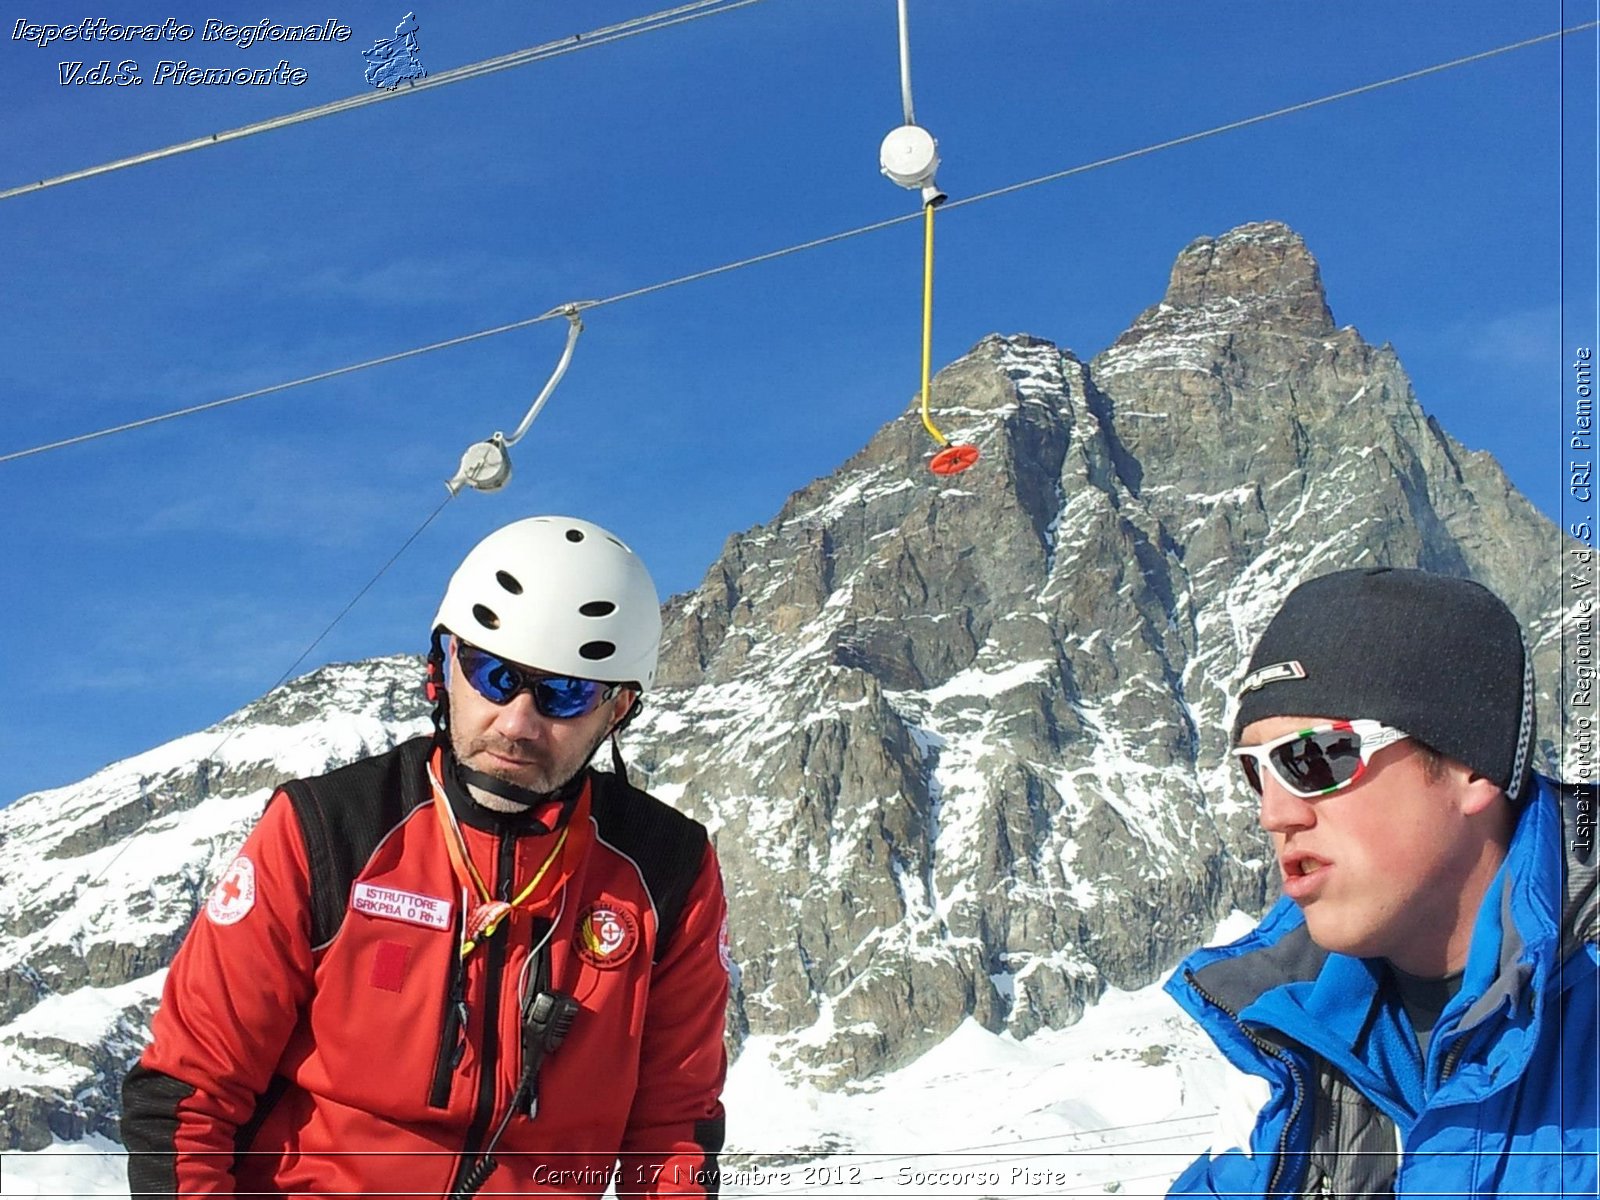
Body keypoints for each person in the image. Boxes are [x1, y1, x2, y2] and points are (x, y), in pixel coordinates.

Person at [122, 516, 731, 1199]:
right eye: (495, 676)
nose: (517, 724)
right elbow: (187, 1096)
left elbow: (674, 1135)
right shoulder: (329, 832)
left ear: (616, 709)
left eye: (566, 694)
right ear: (443, 668)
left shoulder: (666, 869)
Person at [1166, 566, 1597, 1198]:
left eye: (1313, 759)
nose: (1274, 814)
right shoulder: (1285, 1030)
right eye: (1257, 773)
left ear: (1470, 763)